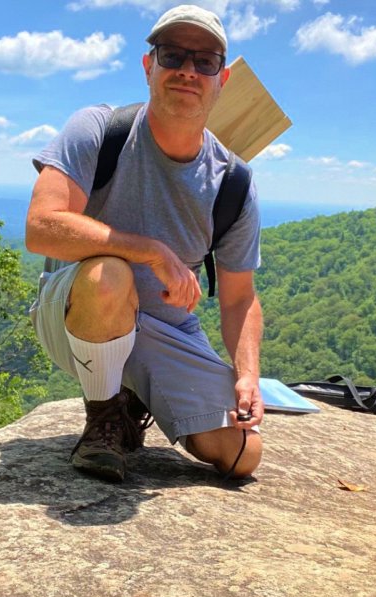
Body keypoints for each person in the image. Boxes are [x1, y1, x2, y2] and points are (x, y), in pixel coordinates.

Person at [25, 4, 264, 483]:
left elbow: (240, 297)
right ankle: (104, 415)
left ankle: (135, 393)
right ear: (148, 65)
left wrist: (247, 374)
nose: (187, 71)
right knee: (109, 273)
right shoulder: (100, 129)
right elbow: (41, 226)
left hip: (164, 330)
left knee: (243, 455)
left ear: (224, 79)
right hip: (79, 311)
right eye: (172, 55)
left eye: (205, 61)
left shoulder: (233, 181)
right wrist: (150, 250)